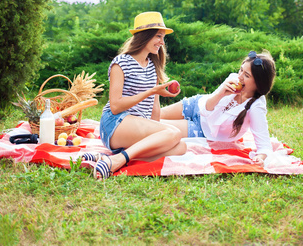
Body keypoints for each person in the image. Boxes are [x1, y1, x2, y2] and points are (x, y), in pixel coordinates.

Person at [84, 11, 186, 179]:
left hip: (136, 127)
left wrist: (158, 135)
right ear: (145, 37)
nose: (162, 42)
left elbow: (155, 111)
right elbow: (116, 106)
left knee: (180, 147)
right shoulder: (121, 63)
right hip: (115, 124)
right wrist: (152, 91)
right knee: (174, 133)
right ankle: (115, 161)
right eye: (158, 36)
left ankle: (109, 158)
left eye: (163, 37)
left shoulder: (152, 66)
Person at [160, 51, 277, 166]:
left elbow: (264, 145)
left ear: (258, 83)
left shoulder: (256, 106)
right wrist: (221, 93)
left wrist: (260, 158)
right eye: (241, 70)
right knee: (154, 115)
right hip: (197, 105)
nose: (240, 76)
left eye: (246, 75)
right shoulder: (233, 79)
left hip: (202, 129)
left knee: (158, 126)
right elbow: (206, 108)